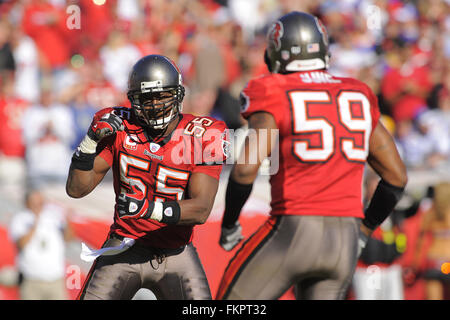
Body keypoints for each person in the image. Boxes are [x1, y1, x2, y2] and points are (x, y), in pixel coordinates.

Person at [216, 11, 407, 300]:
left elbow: (245, 170)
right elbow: (396, 177)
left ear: (276, 52)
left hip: (293, 230)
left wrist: (229, 223)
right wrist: (365, 230)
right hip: (344, 239)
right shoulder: (358, 92)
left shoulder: (272, 89)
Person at [66, 54, 229, 300]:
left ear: (177, 94)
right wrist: (89, 142)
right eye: (146, 98)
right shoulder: (120, 126)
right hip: (124, 247)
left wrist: (145, 208)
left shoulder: (204, 134)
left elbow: (201, 209)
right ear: (134, 99)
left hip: (177, 253)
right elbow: (76, 190)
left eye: (162, 95)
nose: (155, 105)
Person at [9, 189, 74, 300]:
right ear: (27, 203)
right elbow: (21, 244)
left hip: (55, 279)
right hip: (31, 279)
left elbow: (68, 238)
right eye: (34, 202)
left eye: (40, 202)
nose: (38, 205)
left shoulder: (54, 217)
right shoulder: (20, 219)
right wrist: (35, 223)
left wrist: (67, 220)